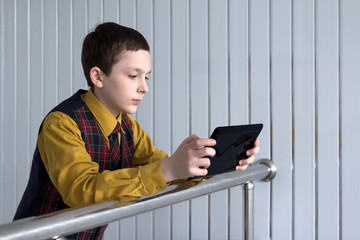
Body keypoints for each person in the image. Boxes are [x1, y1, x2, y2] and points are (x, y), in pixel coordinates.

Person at [13, 22, 260, 239]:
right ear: (98, 77)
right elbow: (81, 191)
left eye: (147, 78)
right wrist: (168, 168)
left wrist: (222, 159)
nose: (144, 88)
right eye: (133, 76)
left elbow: (165, 167)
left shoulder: (128, 126)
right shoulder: (62, 123)